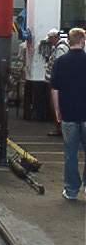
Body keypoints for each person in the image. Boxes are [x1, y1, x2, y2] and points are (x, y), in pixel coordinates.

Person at [51, 27, 86, 200]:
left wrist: (58, 111)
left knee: (70, 154)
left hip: (68, 114)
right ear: (83, 41)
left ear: (69, 41)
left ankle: (72, 191)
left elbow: (55, 89)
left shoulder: (60, 62)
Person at [44, 28, 69, 136]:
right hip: (57, 81)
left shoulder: (60, 48)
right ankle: (60, 128)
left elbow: (59, 66)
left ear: (55, 37)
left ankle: (59, 128)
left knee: (55, 105)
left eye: (50, 38)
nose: (49, 41)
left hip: (56, 83)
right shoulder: (58, 48)